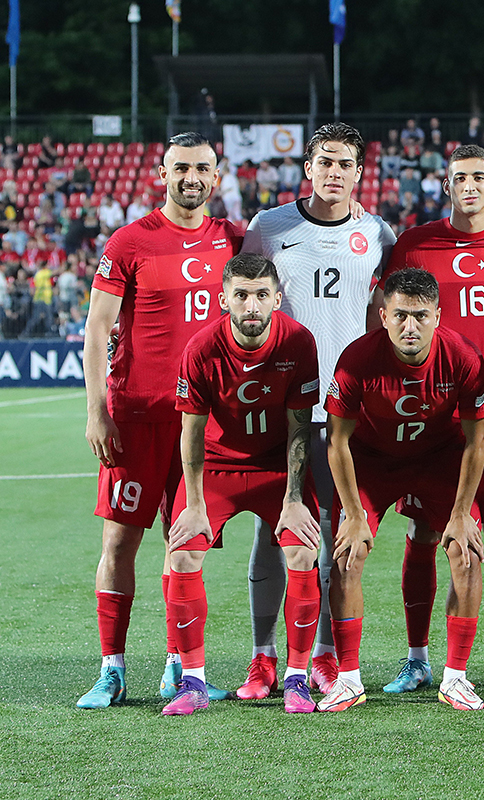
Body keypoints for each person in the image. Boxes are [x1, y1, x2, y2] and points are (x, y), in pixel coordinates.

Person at [77, 132, 243, 709]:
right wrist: (97, 409)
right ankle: (112, 668)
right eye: (181, 168)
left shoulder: (232, 240)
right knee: (120, 539)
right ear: (162, 173)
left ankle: (181, 667)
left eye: (202, 168)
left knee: (185, 543)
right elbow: (98, 329)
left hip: (202, 423)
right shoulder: (129, 242)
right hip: (138, 417)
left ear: (216, 179)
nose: (191, 177)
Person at [378, 144, 484, 694]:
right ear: (444, 184)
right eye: (459, 178)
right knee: (425, 529)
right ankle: (417, 657)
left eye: (479, 176)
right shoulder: (415, 243)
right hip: (431, 416)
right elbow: (379, 312)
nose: (469, 186)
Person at [238, 123, 396, 700]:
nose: (334, 171)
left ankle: (326, 655)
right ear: (308, 167)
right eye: (324, 161)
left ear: (360, 172)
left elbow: (393, 304)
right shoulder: (268, 227)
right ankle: (263, 656)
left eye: (345, 163)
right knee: (273, 526)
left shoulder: (378, 233)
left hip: (348, 409)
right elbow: (243, 298)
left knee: (336, 532)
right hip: (284, 409)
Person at [321, 268, 484, 712]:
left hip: (439, 458)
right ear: (383, 315)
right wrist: (354, 514)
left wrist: (460, 514)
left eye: (420, 316)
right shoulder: (357, 359)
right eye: (400, 315)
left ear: (438, 315)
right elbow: (336, 441)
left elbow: (479, 440)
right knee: (347, 550)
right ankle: (348, 679)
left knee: (467, 548)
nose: (410, 326)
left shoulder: (463, 356)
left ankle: (455, 678)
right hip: (374, 461)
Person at [161, 254, 321, 715]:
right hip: (215, 466)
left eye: (261, 295)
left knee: (302, 548)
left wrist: (294, 499)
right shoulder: (201, 347)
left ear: (277, 297)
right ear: (224, 298)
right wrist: (192, 505)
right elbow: (190, 432)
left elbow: (299, 428)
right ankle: (192, 682)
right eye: (242, 295)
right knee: (185, 549)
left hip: (275, 467)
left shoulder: (298, 341)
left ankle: (295, 679)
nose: (252, 305)